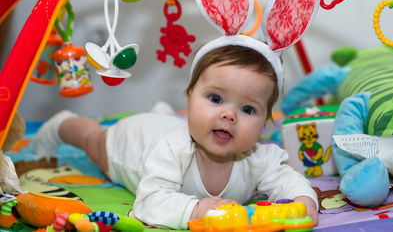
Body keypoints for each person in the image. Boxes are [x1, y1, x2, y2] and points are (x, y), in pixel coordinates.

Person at [33, 35, 318, 229]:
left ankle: (162, 113)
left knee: (168, 123)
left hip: (168, 126)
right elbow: (150, 201)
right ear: (189, 97)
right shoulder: (174, 149)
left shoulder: (259, 158)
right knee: (92, 137)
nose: (229, 114)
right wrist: (194, 210)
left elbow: (290, 181)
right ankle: (62, 123)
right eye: (216, 99)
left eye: (248, 109)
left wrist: (303, 202)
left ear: (266, 122)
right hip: (131, 144)